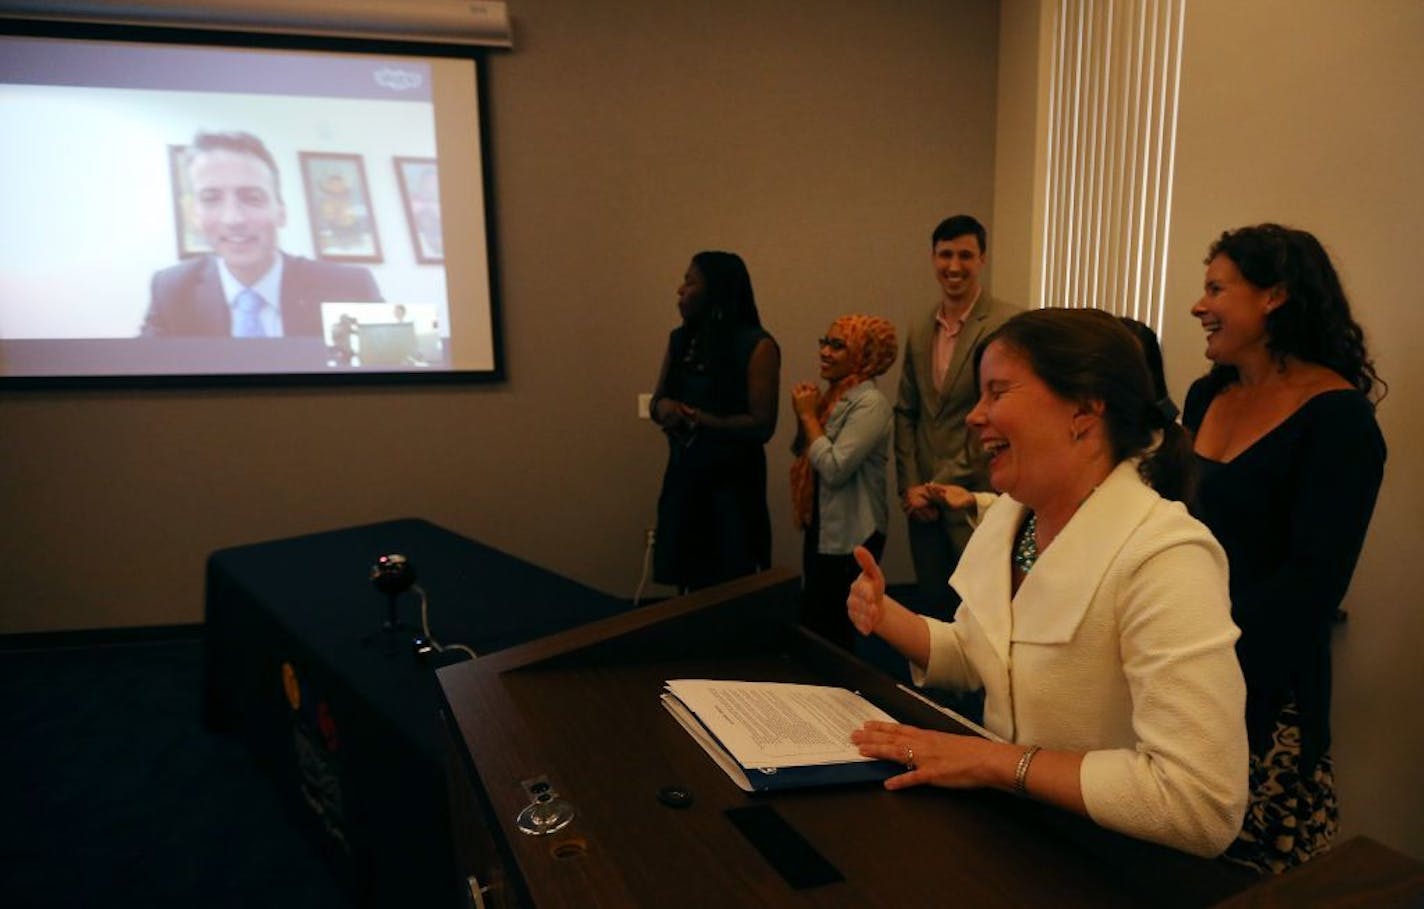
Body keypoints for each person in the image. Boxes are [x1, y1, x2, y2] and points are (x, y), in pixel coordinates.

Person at [847, 307, 1249, 858]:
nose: (974, 415)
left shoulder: (1165, 555)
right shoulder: (1013, 520)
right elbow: (978, 654)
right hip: (1013, 835)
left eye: (997, 392)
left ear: (1083, 410)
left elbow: (1201, 802)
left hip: (1108, 862)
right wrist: (888, 615)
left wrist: (990, 761)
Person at [1183, 224, 1386, 874]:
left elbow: (1312, 583)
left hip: (1266, 696)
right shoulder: (1207, 392)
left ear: (1274, 296)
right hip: (1180, 670)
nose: (1199, 304)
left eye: (1216, 287)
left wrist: (1200, 645)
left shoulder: (1339, 419)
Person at [894, 215, 1021, 617]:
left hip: (976, 493)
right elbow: (906, 412)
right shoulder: (918, 326)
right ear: (932, 258)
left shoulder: (1007, 324)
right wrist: (911, 487)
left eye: (965, 255)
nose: (954, 266)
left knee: (980, 611)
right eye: (945, 254)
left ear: (982, 259)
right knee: (932, 607)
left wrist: (939, 484)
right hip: (922, 502)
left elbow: (1004, 417)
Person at [142, 130, 383, 338]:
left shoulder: (350, 288)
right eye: (211, 198)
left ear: (281, 211)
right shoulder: (171, 291)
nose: (233, 219)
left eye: (252, 198)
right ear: (195, 215)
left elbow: (391, 378)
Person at [650, 251, 780, 591]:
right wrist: (665, 409)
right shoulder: (680, 340)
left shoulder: (757, 345)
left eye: (690, 282)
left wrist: (698, 419)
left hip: (732, 487)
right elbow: (657, 400)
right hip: (684, 477)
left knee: (730, 581)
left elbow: (762, 425)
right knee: (685, 579)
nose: (680, 290)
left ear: (716, 291)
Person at [789, 315, 897, 651]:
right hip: (824, 525)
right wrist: (805, 415)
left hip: (853, 531)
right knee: (817, 621)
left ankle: (840, 700)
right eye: (825, 341)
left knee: (833, 628)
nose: (825, 351)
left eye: (838, 345)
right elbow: (803, 451)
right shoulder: (835, 396)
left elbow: (835, 468)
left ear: (864, 355)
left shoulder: (870, 404)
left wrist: (808, 416)